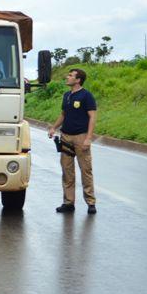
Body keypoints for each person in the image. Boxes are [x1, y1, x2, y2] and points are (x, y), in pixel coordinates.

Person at [48, 68, 97, 214]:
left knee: (86, 170)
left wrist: (88, 138)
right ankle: (68, 203)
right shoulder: (67, 95)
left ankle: (90, 203)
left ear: (78, 80)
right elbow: (63, 114)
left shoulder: (86, 96)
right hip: (66, 137)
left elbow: (92, 117)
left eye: (70, 76)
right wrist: (54, 128)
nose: (67, 77)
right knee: (67, 171)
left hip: (81, 137)